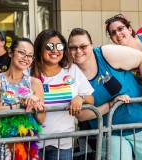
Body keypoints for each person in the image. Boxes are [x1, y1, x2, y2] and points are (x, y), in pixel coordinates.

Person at [68, 28, 142, 160]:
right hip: (111, 131)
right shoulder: (70, 73)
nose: (78, 51)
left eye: (83, 46)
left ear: (91, 45)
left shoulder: (106, 53)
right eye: (73, 47)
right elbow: (82, 116)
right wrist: (111, 104)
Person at [30, 29, 94, 160]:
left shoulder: (71, 70)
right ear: (39, 48)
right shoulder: (28, 71)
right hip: (31, 142)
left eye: (59, 46)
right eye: (49, 46)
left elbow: (91, 98)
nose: (55, 50)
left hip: (62, 143)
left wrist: (79, 98)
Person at [0, 37, 46, 159]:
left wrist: (37, 104)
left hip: (26, 144)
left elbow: (41, 119)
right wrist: (22, 103)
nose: (26, 58)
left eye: (30, 56)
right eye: (22, 53)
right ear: (10, 52)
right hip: (0, 143)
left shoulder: (35, 82)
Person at [105, 13, 142, 85]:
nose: (117, 34)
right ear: (112, 39)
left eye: (120, 29)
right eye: (113, 33)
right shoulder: (117, 57)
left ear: (130, 29)